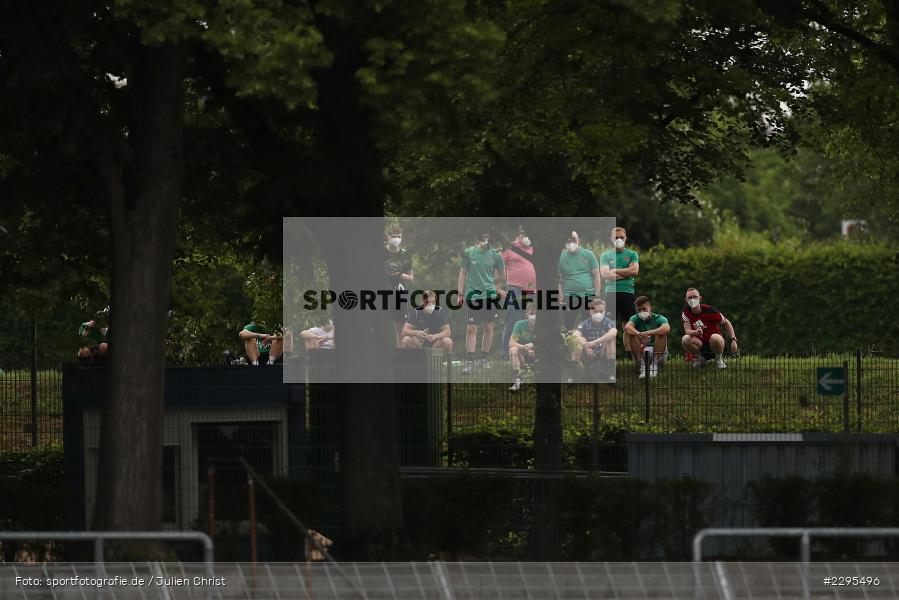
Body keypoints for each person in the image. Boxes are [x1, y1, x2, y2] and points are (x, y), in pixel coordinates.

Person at [458, 232, 506, 374]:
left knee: (488, 327)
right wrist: (460, 292)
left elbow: (502, 275)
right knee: (471, 328)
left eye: (487, 236)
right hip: (473, 295)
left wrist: (495, 286)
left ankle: (484, 358)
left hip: (489, 295)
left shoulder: (496, 254)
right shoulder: (469, 253)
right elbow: (462, 273)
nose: (485, 239)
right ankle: (471, 360)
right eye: (483, 236)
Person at [600, 227, 639, 357]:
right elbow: (605, 274)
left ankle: (630, 354)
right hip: (611, 293)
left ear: (626, 238)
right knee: (609, 327)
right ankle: (607, 359)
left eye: (621, 237)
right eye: (616, 237)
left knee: (628, 326)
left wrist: (615, 271)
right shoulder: (605, 255)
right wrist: (626, 273)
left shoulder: (632, 254)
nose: (619, 240)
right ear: (611, 239)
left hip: (628, 293)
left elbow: (634, 271)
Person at [500, 227, 537, 359]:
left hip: (532, 290)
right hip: (515, 288)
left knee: (532, 322)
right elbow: (498, 267)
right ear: (519, 234)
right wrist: (498, 287)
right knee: (512, 320)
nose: (527, 237)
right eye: (525, 234)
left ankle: (529, 353)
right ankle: (505, 353)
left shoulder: (534, 248)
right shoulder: (510, 248)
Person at [680, 287, 738, 369]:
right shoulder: (686, 312)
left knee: (716, 337)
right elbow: (687, 331)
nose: (692, 299)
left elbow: (727, 323)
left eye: (695, 297)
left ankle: (718, 360)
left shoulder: (710, 310)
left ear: (700, 298)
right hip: (699, 344)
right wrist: (695, 332)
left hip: (714, 343)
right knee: (685, 339)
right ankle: (700, 359)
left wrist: (733, 340)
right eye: (690, 297)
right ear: (686, 300)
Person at [558, 230, 601, 331]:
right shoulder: (561, 257)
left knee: (590, 325)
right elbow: (559, 280)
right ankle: (568, 345)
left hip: (588, 295)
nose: (571, 243)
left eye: (573, 240)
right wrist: (561, 295)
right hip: (569, 296)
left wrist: (597, 295)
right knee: (567, 326)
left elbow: (596, 275)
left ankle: (590, 345)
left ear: (578, 240)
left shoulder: (588, 254)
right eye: (568, 241)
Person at [623, 296, 670, 379]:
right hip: (641, 353)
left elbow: (666, 328)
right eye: (639, 310)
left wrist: (648, 333)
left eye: (644, 309)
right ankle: (643, 366)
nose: (642, 312)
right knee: (632, 335)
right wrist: (639, 333)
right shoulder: (635, 318)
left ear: (650, 308)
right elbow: (627, 328)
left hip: (658, 354)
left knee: (662, 334)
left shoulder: (659, 318)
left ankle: (654, 366)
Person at [572, 298, 617, 381]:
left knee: (611, 339)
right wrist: (586, 346)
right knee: (578, 340)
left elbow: (613, 332)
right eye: (595, 311)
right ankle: (573, 377)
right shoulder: (585, 323)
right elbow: (575, 334)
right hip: (589, 355)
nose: (598, 314)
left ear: (604, 311)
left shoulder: (608, 322)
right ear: (590, 311)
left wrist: (594, 342)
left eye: (601, 311)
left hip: (603, 354)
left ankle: (612, 374)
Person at [384, 226, 414, 348]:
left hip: (399, 293)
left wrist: (408, 277)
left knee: (400, 327)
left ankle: (399, 354)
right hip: (383, 292)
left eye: (399, 236)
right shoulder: (381, 253)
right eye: (394, 236)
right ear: (387, 237)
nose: (396, 239)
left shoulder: (405, 255)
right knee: (381, 324)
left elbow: (412, 277)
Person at [508, 304, 537, 392]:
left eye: (535, 313)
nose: (533, 315)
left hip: (537, 355)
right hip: (522, 356)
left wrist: (533, 346)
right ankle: (518, 380)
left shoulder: (542, 326)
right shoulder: (519, 324)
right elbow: (511, 343)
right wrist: (524, 347)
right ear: (526, 314)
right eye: (531, 313)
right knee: (513, 350)